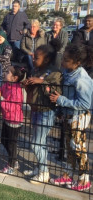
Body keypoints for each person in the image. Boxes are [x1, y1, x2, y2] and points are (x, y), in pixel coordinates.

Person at [49, 44, 93, 191]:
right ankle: (67, 175)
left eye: (66, 60)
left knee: (78, 148)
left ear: (77, 62)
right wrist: (62, 109)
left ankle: (83, 180)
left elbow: (85, 104)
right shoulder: (68, 72)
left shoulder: (81, 79)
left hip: (78, 118)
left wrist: (61, 101)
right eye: (63, 58)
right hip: (69, 116)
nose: (62, 62)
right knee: (69, 147)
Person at [22, 39, 62, 184]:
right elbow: (31, 89)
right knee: (40, 142)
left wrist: (42, 82)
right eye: (33, 56)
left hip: (46, 112)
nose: (33, 58)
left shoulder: (54, 73)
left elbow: (57, 91)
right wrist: (27, 84)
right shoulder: (35, 70)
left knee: (36, 143)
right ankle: (40, 168)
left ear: (47, 59)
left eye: (37, 57)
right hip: (35, 109)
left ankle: (44, 172)